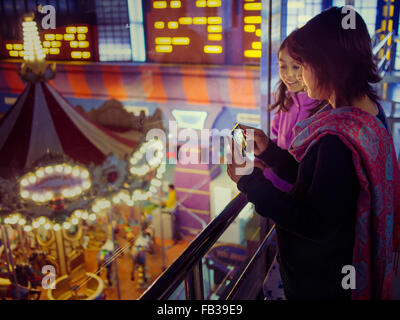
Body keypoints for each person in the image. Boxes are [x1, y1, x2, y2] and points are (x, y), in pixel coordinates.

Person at [227, 6, 400, 300]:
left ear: (326, 65)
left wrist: (249, 181)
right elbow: (325, 187)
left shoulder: (338, 137)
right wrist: (269, 151)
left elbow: (314, 221)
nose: (298, 76)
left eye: (302, 64)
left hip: (322, 283)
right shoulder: (368, 115)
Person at [263, 32, 326, 300]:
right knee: (283, 246)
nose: (288, 74)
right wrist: (263, 154)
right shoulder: (285, 100)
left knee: (293, 253)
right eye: (282, 65)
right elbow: (277, 141)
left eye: (296, 66)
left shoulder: (323, 108)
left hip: (297, 200)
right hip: (278, 193)